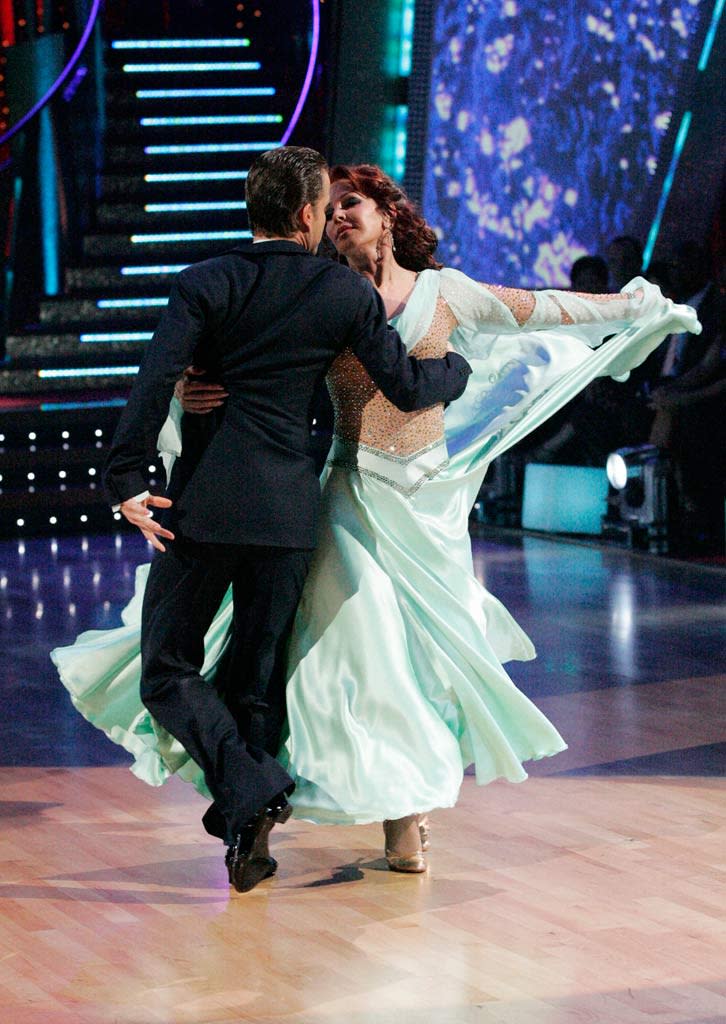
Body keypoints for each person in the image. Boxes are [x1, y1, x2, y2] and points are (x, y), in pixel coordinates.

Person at [53, 163, 700, 880]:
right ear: (307, 218)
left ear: (389, 214)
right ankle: (262, 821)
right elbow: (261, 359)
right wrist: (188, 381)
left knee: (409, 667)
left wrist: (631, 304)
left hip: (420, 509)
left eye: (351, 204)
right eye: (329, 209)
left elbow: (543, 308)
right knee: (329, 666)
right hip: (335, 500)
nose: (339, 218)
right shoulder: (328, 294)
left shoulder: (431, 291)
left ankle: (393, 818)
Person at [94, 147, 472, 894]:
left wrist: (128, 477)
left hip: (198, 509)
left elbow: (155, 380)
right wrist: (456, 370)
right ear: (306, 214)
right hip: (289, 513)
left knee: (167, 672)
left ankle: (249, 789)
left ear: (254, 207)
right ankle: (250, 821)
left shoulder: (206, 282)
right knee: (256, 684)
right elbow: (404, 386)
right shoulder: (343, 294)